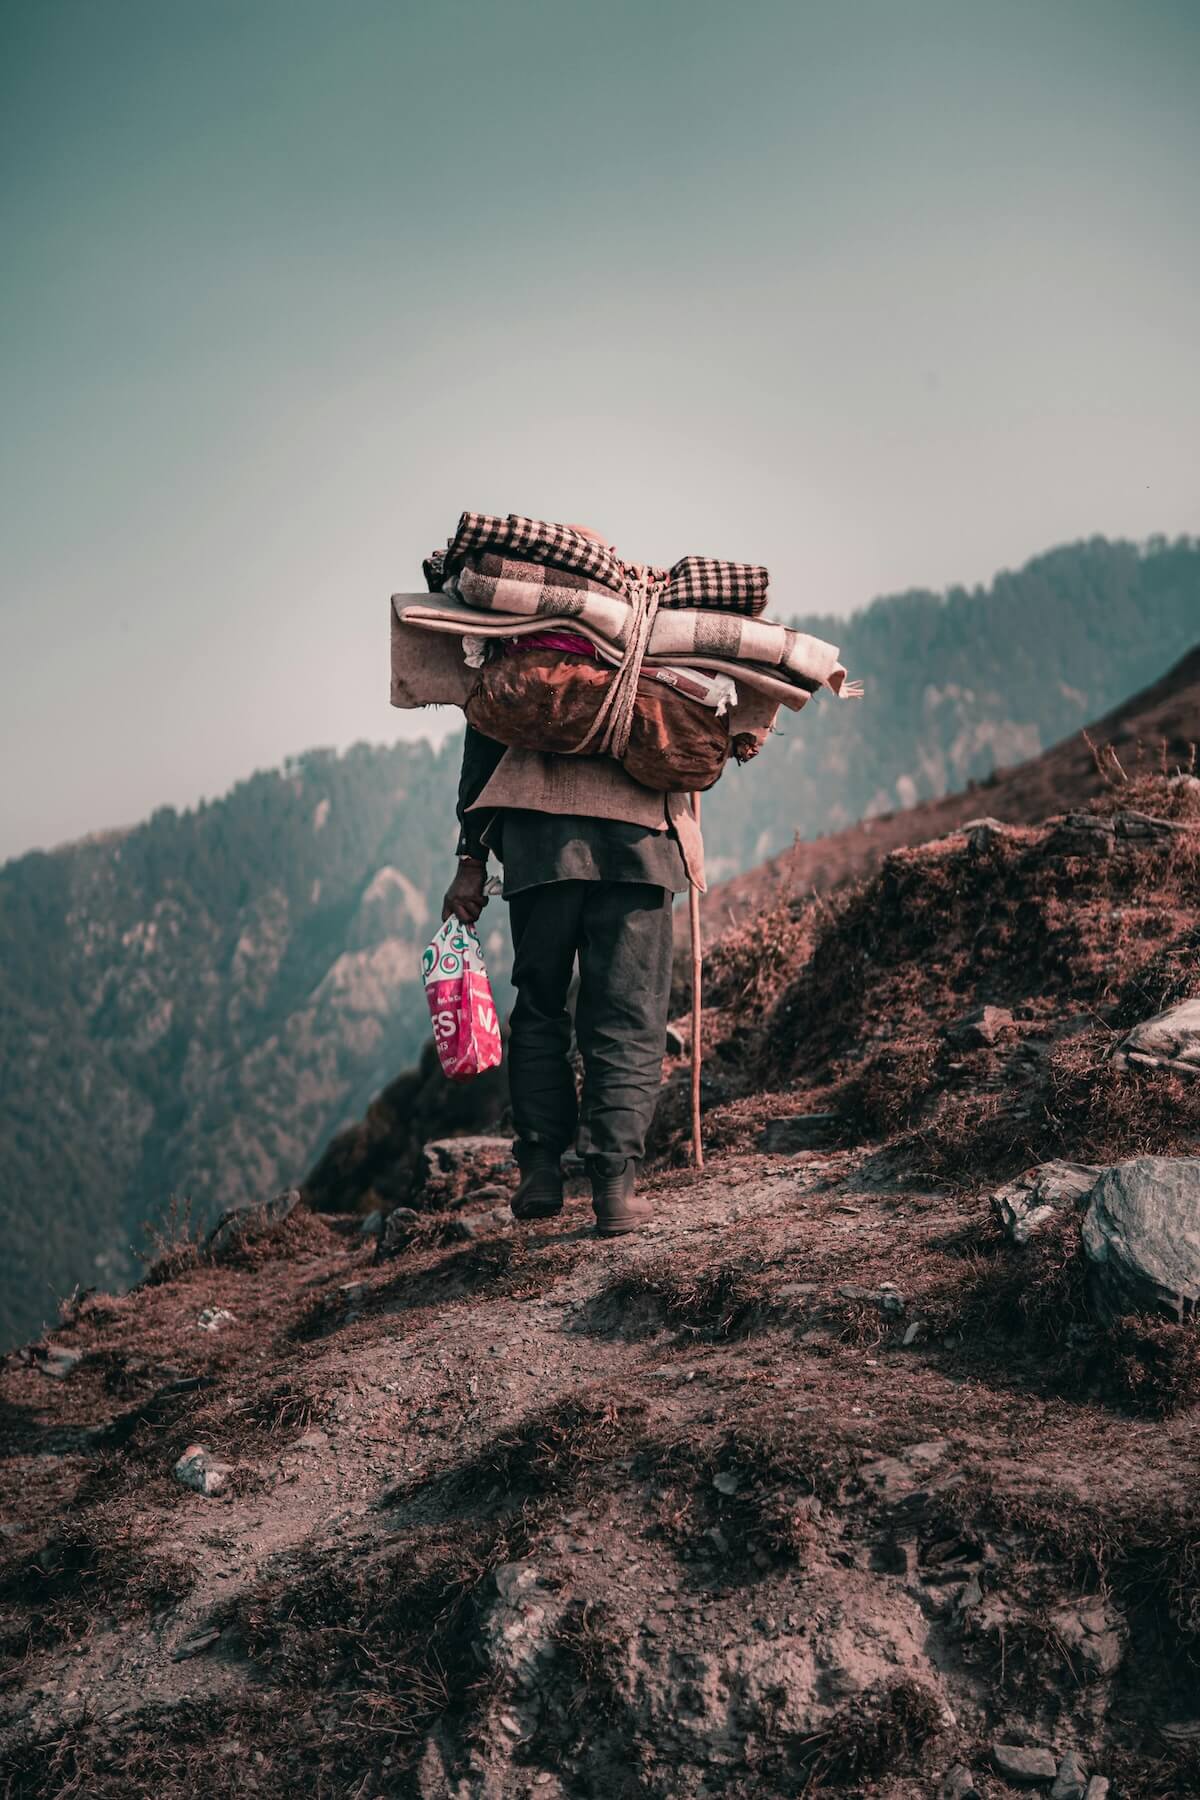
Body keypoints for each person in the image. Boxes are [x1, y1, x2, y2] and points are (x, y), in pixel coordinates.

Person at [440, 532, 690, 1238]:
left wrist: (470, 858)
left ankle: (541, 1170)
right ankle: (614, 1188)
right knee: (628, 1015)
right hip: (640, 849)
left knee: (541, 1005)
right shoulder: (657, 649)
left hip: (540, 848)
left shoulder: (522, 643)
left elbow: (483, 744)